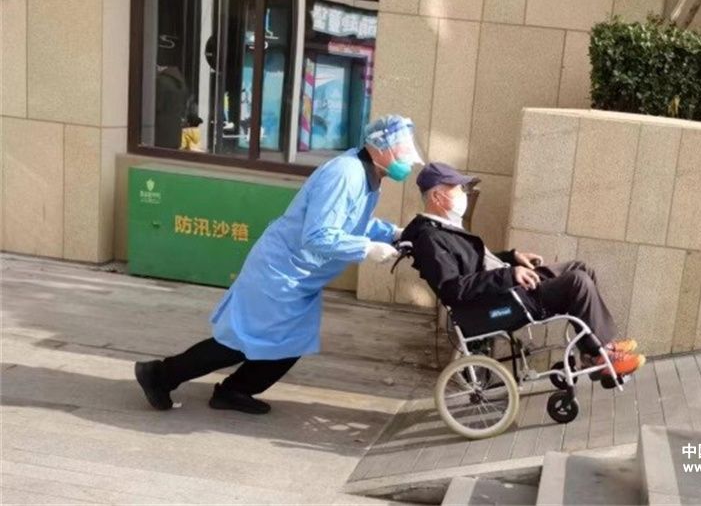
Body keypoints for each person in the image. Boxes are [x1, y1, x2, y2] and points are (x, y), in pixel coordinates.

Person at [135, 114, 424, 414]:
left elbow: (352, 221)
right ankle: (160, 375)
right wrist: (366, 248)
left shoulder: (369, 177)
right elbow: (318, 235)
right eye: (401, 152)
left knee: (290, 343)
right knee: (239, 341)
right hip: (280, 272)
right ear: (378, 147)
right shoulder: (346, 174)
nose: (406, 160)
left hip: (300, 277)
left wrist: (391, 233)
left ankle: (234, 390)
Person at [400, 162, 646, 379]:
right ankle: (602, 355)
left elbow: (474, 263)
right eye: (457, 188)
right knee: (577, 282)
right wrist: (509, 274)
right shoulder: (430, 238)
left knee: (580, 268)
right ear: (438, 196)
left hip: (506, 289)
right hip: (495, 306)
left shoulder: (442, 228)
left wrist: (512, 257)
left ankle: (596, 351)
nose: (464, 193)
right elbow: (454, 289)